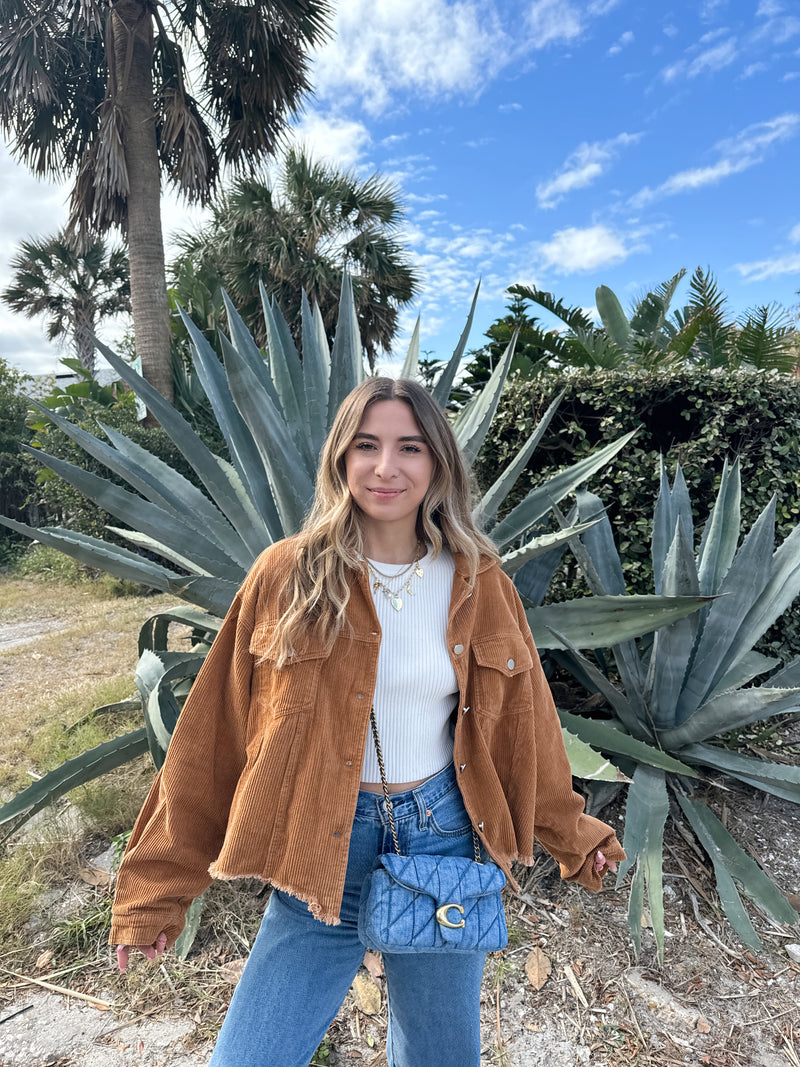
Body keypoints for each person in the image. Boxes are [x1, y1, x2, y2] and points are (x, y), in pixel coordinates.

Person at [110, 376, 625, 1066]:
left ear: (437, 462)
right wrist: (155, 893)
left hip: (443, 841)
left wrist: (571, 831)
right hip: (321, 841)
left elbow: (524, 725)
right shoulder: (285, 576)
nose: (387, 468)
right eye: (368, 445)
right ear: (340, 459)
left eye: (410, 447)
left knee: (440, 1057)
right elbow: (213, 739)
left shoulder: (480, 578)